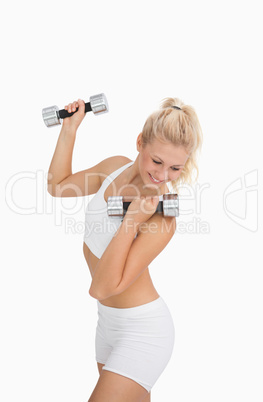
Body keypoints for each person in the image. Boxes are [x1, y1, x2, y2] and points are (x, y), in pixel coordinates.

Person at [47, 96, 203, 402]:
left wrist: (132, 221)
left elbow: (102, 287)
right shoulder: (114, 168)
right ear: (140, 142)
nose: (162, 175)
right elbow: (59, 186)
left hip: (144, 332)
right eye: (156, 161)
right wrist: (69, 129)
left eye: (175, 168)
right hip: (107, 325)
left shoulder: (162, 218)